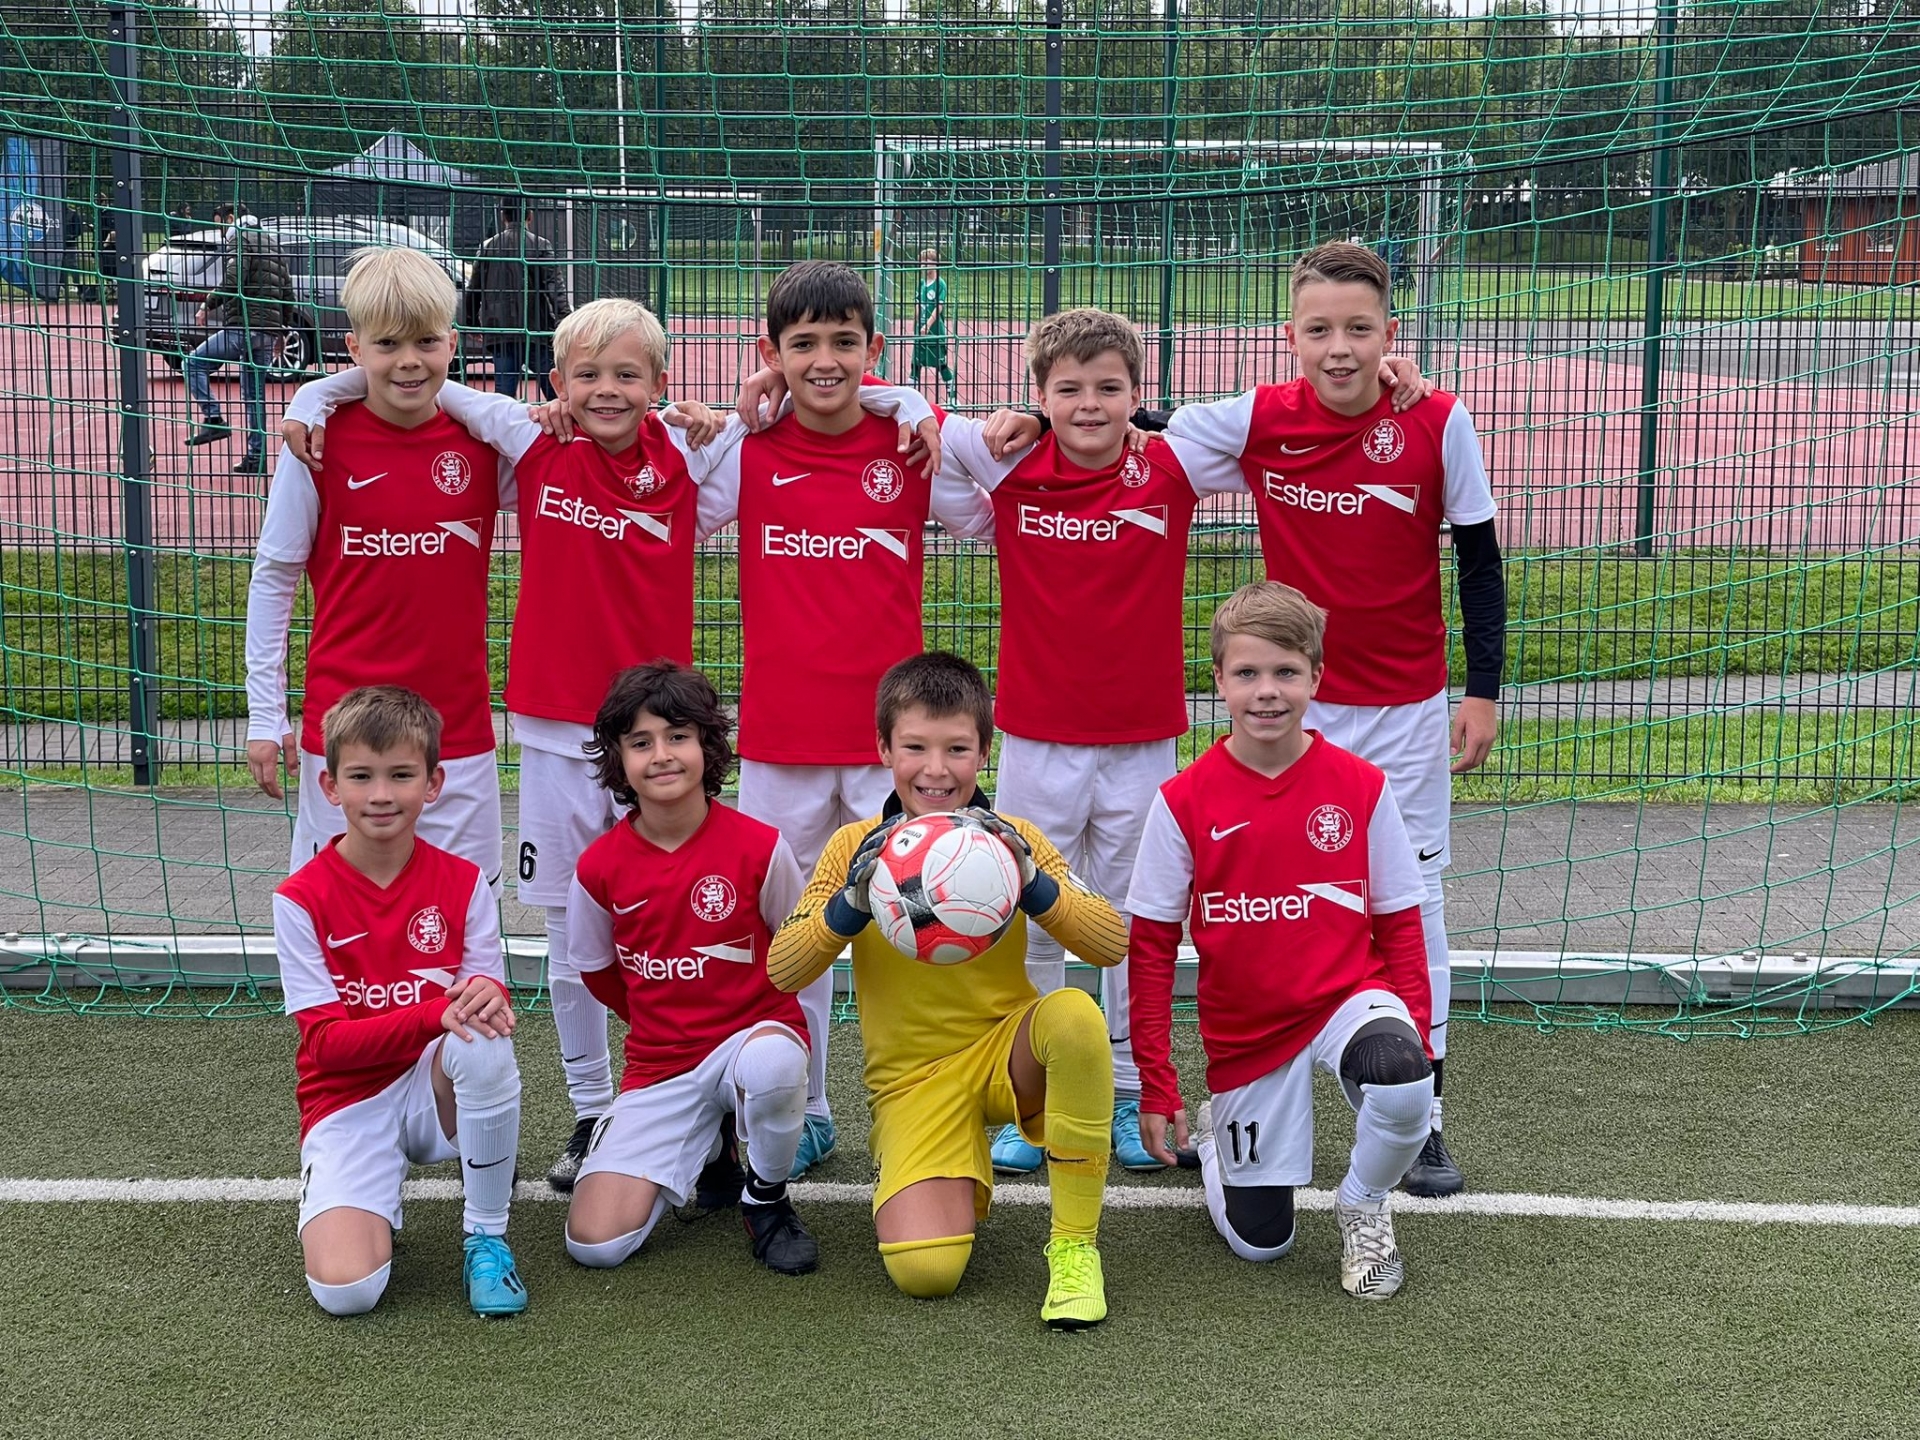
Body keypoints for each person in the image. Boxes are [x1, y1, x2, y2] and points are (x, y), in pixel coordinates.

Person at [276, 294, 936, 1191]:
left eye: (629, 373)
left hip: (655, 737)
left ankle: (716, 1088)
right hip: (555, 734)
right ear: (556, 383)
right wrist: (315, 394)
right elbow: (424, 381)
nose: (607, 390)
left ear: (661, 384)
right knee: (570, 929)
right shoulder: (529, 440)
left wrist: (902, 399)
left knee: (705, 918)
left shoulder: (696, 451)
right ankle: (593, 1110)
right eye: (586, 375)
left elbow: (820, 403)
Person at [1159, 240, 1506, 1196]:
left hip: (1404, 712)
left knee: (1413, 901)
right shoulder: (1259, 419)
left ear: (1391, 333)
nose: (1340, 348)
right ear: (1291, 337)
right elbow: (1139, 429)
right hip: (1290, 709)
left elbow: (1480, 561)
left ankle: (1425, 1114)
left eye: (1359, 329)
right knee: (1262, 891)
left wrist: (1483, 689)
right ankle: (1247, 1086)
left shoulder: (1437, 419)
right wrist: (1035, 416)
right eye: (1320, 330)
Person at [928, 307, 1241, 1178]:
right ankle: (1031, 1095)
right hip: (1036, 739)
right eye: (1068, 390)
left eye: (1110, 388)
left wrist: (1162, 423)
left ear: (1138, 395)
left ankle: (1131, 1089)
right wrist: (1011, 428)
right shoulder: (1013, 461)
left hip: (1142, 741)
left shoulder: (1171, 465)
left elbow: (1255, 432)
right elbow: (926, 432)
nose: (1090, 405)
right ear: (1040, 394)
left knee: (1134, 921)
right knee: (1029, 914)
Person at [698, 260, 989, 1178]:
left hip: (889, 749)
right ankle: (806, 1106)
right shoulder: (748, 449)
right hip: (780, 739)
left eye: (844, 342)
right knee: (797, 934)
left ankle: (925, 1101)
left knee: (918, 922)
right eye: (803, 345)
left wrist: (927, 410)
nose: (825, 360)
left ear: (875, 349)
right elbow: (666, 498)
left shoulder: (908, 447)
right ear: (771, 353)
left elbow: (988, 515)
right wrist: (714, 419)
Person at [768, 651, 1129, 1329]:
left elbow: (1111, 944)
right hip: (914, 1081)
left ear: (984, 753)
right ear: (884, 750)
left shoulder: (1015, 839)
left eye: (957, 749)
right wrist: (848, 906)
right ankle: (948, 1164)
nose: (936, 770)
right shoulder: (853, 845)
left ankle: (1075, 1247)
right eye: (915, 748)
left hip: (1007, 1053)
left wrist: (1033, 883)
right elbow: (783, 970)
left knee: (1076, 1016)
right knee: (926, 1273)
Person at [1127, 583, 1434, 1300]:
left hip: (1345, 998)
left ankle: (1364, 1205)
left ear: (1316, 677)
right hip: (1248, 1030)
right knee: (1261, 1244)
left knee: (1400, 1073)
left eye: (1286, 672)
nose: (1267, 691)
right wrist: (1157, 1082)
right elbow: (1150, 950)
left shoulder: (1361, 787)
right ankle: (1218, 1144)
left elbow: (1400, 924)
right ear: (1219, 681)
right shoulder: (1182, 800)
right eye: (1248, 673)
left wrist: (1417, 1038)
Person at [245, 246, 506, 885]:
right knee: (341, 916)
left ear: (452, 343)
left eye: (426, 341)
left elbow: (590, 455)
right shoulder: (316, 444)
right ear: (354, 348)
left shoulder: (488, 443)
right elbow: (275, 578)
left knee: (466, 920)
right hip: (344, 736)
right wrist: (264, 714)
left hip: (457, 734)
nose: (409, 360)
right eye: (387, 343)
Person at [273, 685, 528, 1317]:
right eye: (361, 776)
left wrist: (489, 994)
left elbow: (487, 989)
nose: (381, 794)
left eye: (401, 775)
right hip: (347, 1100)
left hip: (433, 1087)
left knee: (485, 1038)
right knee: (347, 1292)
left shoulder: (464, 882)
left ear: (433, 783)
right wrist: (432, 1013)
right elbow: (326, 1046)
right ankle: (357, 1189)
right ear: (330, 787)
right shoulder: (298, 899)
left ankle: (487, 1237)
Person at [562, 661, 821, 1275]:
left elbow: (797, 954)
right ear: (618, 758)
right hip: (661, 1063)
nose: (662, 756)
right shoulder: (598, 868)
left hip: (754, 1039)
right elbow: (598, 973)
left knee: (774, 1064)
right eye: (641, 742)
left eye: (677, 736)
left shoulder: (761, 847)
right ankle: (712, 1147)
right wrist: (666, 1018)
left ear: (707, 745)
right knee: (594, 1244)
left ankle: (766, 1200)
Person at [185, 203, 293, 475]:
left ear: (231, 218)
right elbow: (288, 293)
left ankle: (213, 418)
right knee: (255, 396)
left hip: (244, 326)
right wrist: (281, 331)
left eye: (220, 224)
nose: (221, 232)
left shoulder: (240, 239)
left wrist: (207, 304)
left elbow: (234, 280)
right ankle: (257, 458)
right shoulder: (273, 244)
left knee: (193, 363)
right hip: (267, 332)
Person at [465, 200, 569, 402]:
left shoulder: (488, 247)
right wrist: (564, 319)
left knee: (504, 394)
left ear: (503, 216)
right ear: (530, 216)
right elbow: (555, 288)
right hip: (536, 327)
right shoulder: (541, 245)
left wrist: (472, 323)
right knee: (554, 388)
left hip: (500, 328)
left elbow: (474, 289)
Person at [911, 247, 956, 405]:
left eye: (927, 262)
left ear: (935, 264)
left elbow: (939, 307)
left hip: (935, 330)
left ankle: (952, 396)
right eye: (921, 262)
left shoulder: (940, 284)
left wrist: (928, 325)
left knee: (941, 364)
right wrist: (916, 324)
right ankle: (910, 396)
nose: (924, 265)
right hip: (921, 331)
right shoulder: (921, 284)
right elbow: (917, 305)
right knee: (915, 363)